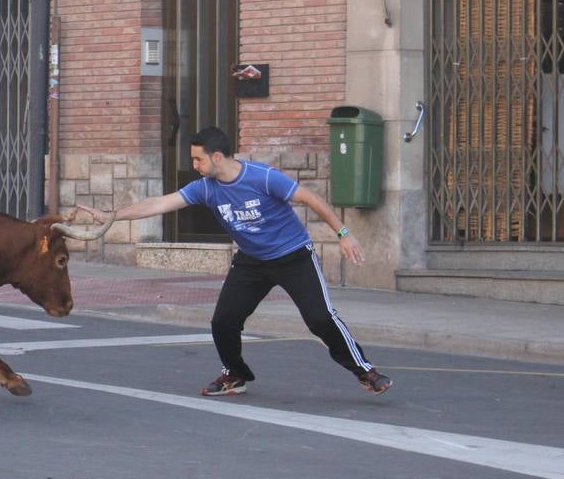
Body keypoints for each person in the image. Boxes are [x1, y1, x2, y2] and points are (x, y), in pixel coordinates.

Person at [107, 126, 391, 397]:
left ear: (217, 157)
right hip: (251, 261)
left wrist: (343, 233)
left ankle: (365, 371)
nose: (194, 165)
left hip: (293, 256)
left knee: (320, 318)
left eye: (198, 159)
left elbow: (311, 198)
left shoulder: (263, 177)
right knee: (224, 321)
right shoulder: (205, 188)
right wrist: (113, 216)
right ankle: (234, 374)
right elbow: (158, 203)